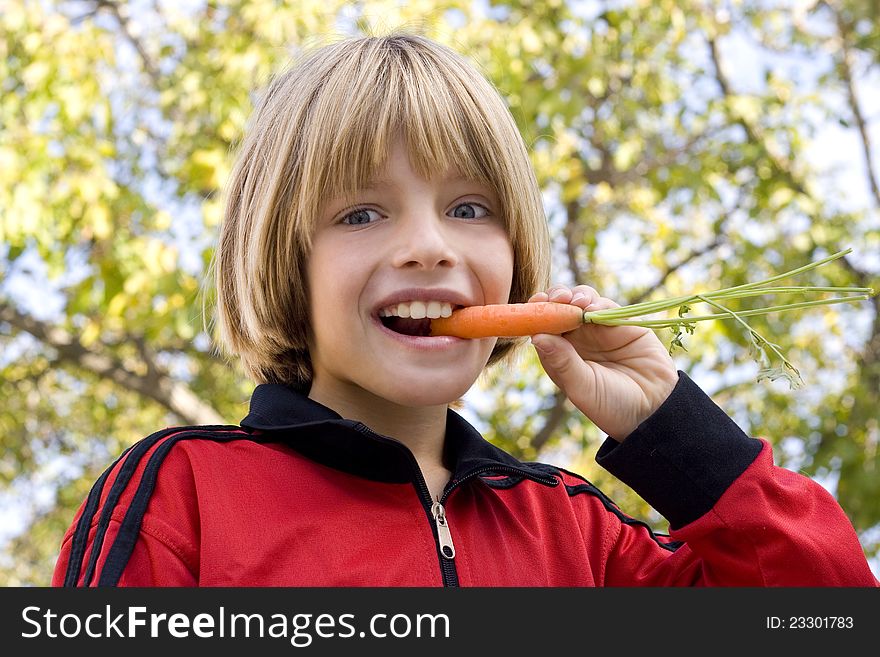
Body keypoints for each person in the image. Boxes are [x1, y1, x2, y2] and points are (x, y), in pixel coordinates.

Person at [53, 33, 877, 587]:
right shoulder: (182, 491)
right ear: (285, 263)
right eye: (361, 214)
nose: (429, 246)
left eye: (471, 209)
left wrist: (671, 428)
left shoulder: (580, 536)